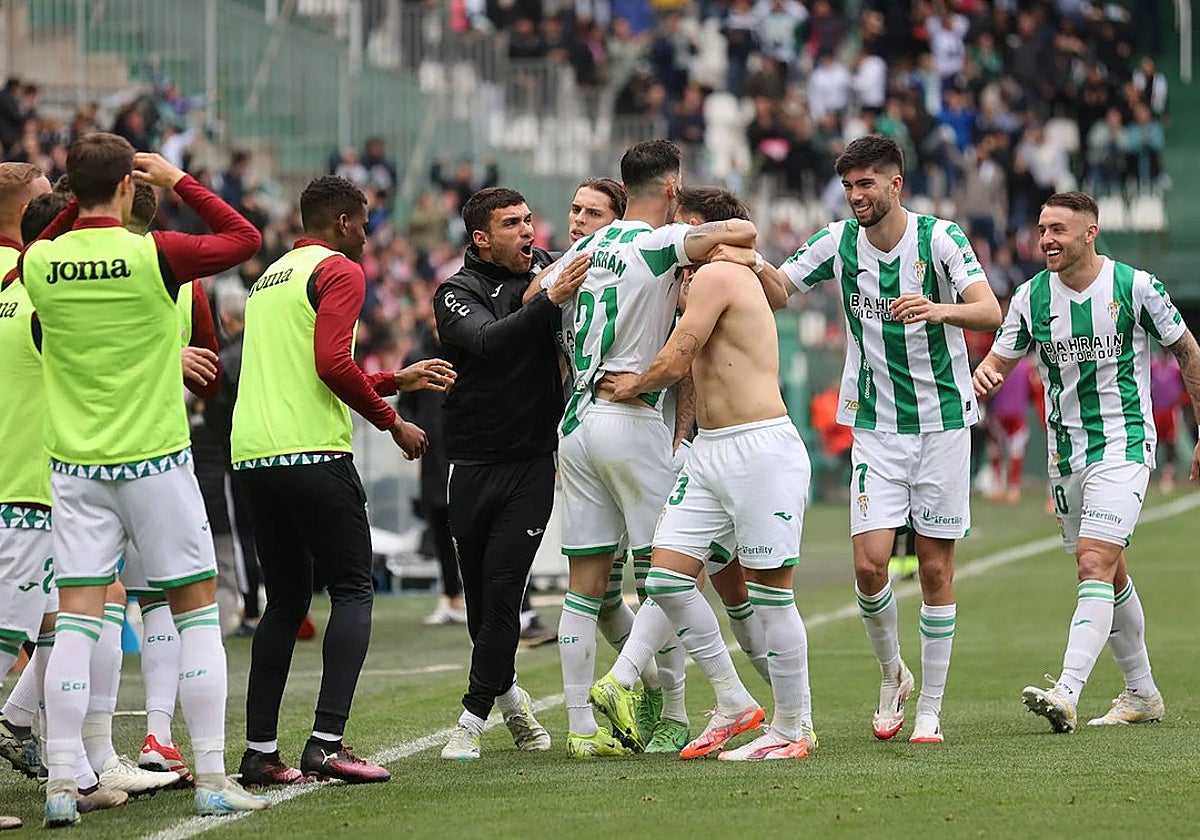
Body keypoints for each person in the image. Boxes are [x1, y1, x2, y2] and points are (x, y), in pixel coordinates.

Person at [21, 136, 267, 825]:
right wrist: (179, 178)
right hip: (155, 462)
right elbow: (242, 236)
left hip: (75, 468)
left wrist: (75, 202)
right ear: (130, 188)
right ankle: (213, 777)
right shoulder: (157, 255)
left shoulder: (39, 261)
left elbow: (55, 233)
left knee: (75, 623)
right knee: (194, 615)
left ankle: (62, 786)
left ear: (71, 192)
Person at [756, 134, 1002, 744]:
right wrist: (738, 255)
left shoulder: (940, 239)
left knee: (936, 569)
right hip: (876, 426)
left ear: (895, 185)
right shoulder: (838, 241)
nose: (856, 195)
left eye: (867, 183)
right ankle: (893, 673)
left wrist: (936, 310)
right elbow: (780, 290)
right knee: (869, 565)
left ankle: (930, 712)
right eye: (849, 185)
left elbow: (990, 310)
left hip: (943, 422)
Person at [540, 140, 758, 757]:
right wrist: (712, 237)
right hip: (629, 416)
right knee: (666, 571)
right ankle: (679, 715)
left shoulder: (583, 247)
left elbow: (537, 298)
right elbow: (743, 229)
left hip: (575, 424)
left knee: (583, 586)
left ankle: (581, 730)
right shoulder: (657, 242)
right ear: (670, 190)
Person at [231, 175, 451, 785]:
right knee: (354, 589)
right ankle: (326, 744)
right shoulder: (341, 271)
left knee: (285, 603)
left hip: (254, 456)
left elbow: (312, 370)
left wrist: (390, 380)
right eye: (365, 224)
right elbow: (331, 365)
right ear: (344, 223)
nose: (368, 235)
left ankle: (259, 752)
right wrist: (392, 422)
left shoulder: (268, 280)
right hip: (312, 453)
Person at [589, 185, 814, 760]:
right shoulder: (712, 276)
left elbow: (678, 355)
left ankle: (794, 727)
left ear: (700, 229)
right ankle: (737, 702)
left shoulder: (716, 276)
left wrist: (633, 384)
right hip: (711, 450)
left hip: (759, 448)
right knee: (664, 578)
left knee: (770, 594)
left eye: (683, 228)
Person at [972, 190, 1200, 732]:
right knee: (1111, 573)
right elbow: (998, 360)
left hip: (1123, 446)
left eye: (1058, 229)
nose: (1046, 238)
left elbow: (1188, 351)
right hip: (1064, 456)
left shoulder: (1136, 287)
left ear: (1089, 233)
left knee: (1093, 562)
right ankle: (1141, 693)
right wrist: (986, 375)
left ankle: (1067, 690)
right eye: (1042, 228)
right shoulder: (1029, 298)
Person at [433, 186, 589, 761]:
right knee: (480, 607)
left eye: (529, 220)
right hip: (470, 468)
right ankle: (512, 699)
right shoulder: (456, 292)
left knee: (502, 596)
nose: (529, 231)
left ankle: (470, 721)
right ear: (482, 238)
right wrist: (545, 301)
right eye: (512, 224)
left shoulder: (552, 268)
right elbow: (487, 342)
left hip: (529, 465)